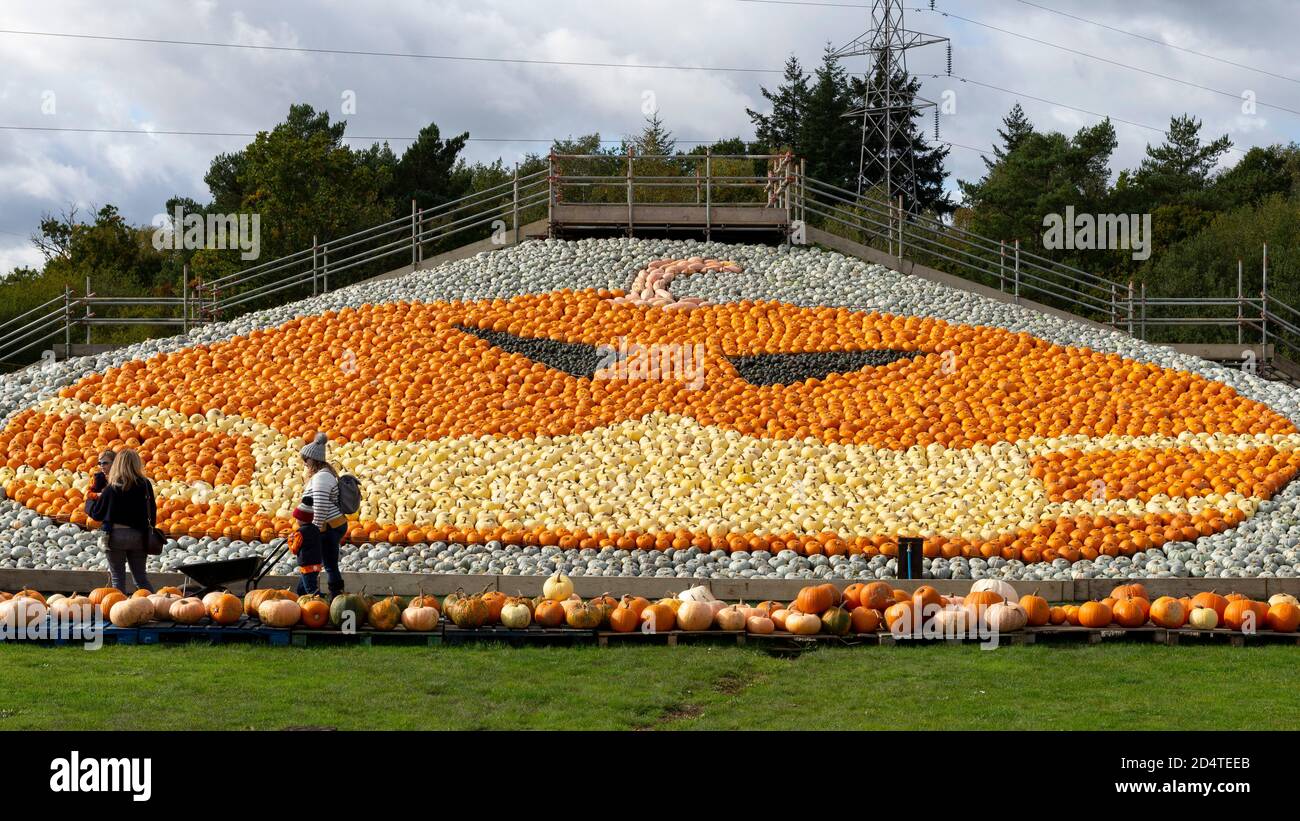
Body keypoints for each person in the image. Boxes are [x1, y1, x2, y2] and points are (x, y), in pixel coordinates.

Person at [85, 448, 156, 594]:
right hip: (139, 536)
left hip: (116, 536)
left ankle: (120, 611)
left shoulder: (112, 487)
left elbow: (97, 514)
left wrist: (90, 500)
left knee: (118, 579)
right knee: (141, 578)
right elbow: (152, 510)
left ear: (117, 463)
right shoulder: (146, 485)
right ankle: (154, 606)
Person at [292, 433, 347, 597]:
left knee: (319, 563)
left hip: (327, 527)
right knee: (321, 562)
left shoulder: (322, 478)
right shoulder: (322, 475)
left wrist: (312, 531)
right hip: (330, 525)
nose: (305, 463)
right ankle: (308, 593)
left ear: (313, 460)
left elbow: (321, 505)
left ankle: (327, 595)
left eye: (306, 460)